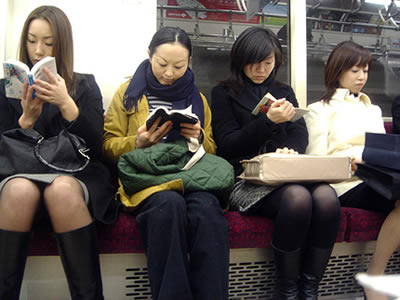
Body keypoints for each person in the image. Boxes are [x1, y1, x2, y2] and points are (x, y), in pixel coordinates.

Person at [211, 26, 340, 300]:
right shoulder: (223, 93)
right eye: (254, 63)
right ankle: (288, 290)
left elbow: (300, 133)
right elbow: (228, 144)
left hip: (285, 172)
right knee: (298, 199)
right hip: (245, 178)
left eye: (268, 63)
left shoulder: (283, 91)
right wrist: (267, 122)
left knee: (327, 197)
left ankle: (310, 287)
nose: (261, 70)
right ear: (240, 60)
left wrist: (288, 150)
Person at [0, 6, 119, 300]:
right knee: (18, 190)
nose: (38, 50)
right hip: (19, 173)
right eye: (31, 40)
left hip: (75, 174)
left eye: (48, 43)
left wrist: (67, 104)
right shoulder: (9, 86)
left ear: (62, 45)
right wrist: (26, 121)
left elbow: (97, 148)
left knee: (61, 190)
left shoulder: (84, 84)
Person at [103, 26, 229, 300]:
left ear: (189, 63)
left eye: (179, 66)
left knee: (207, 211)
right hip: (148, 179)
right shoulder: (128, 94)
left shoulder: (200, 99)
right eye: (162, 64)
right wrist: (137, 143)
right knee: (168, 206)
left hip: (190, 177)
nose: (169, 73)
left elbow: (212, 152)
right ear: (149, 55)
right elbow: (108, 146)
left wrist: (199, 136)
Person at [305, 40, 400, 300]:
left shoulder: (373, 109)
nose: (362, 77)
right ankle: (375, 277)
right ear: (338, 71)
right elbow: (316, 160)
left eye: (366, 70)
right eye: (355, 70)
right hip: (344, 182)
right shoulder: (319, 109)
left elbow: (384, 154)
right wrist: (351, 162)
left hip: (377, 177)